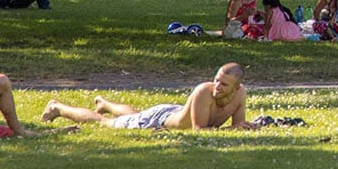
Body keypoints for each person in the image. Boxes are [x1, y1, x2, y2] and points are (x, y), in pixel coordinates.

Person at [43, 64, 250, 130]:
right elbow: (198, 131)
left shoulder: (241, 94)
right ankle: (58, 108)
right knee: (107, 123)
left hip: (169, 112)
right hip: (158, 119)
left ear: (237, 86)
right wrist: (235, 129)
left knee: (136, 115)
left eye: (223, 84)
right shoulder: (204, 92)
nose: (217, 87)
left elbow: (238, 125)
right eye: (216, 80)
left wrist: (243, 127)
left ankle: (104, 103)